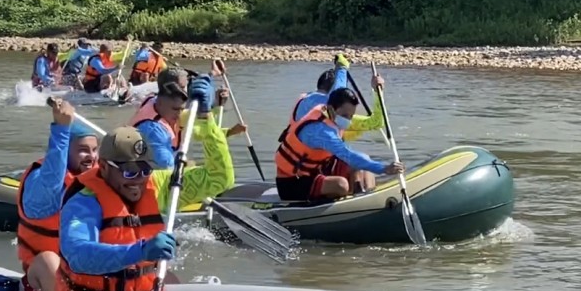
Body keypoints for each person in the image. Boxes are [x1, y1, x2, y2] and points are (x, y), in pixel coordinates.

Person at [42, 77, 236, 291]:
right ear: (106, 168)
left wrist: (206, 118)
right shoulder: (85, 200)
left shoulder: (156, 184)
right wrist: (140, 250)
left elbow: (220, 178)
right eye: (129, 171)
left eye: (144, 170)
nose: (137, 179)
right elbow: (78, 254)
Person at [16, 99, 98, 291]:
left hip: (87, 284)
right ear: (65, 151)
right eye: (82, 150)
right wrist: (61, 128)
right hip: (41, 286)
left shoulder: (98, 182)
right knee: (49, 260)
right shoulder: (41, 187)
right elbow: (52, 179)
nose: (91, 157)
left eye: (94, 150)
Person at [275, 87, 404, 201]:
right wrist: (384, 168)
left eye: (351, 116)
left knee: (364, 162)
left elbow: (340, 84)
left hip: (316, 171)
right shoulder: (320, 131)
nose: (348, 120)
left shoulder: (332, 113)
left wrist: (377, 91)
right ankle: (345, 206)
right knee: (341, 185)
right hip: (292, 182)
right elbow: (347, 154)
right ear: (331, 108)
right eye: (344, 115)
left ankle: (365, 199)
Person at [131, 67, 244, 168]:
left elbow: (196, 129)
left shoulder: (157, 102)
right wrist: (188, 166)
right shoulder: (154, 130)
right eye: (184, 87)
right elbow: (167, 170)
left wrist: (217, 104)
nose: (187, 91)